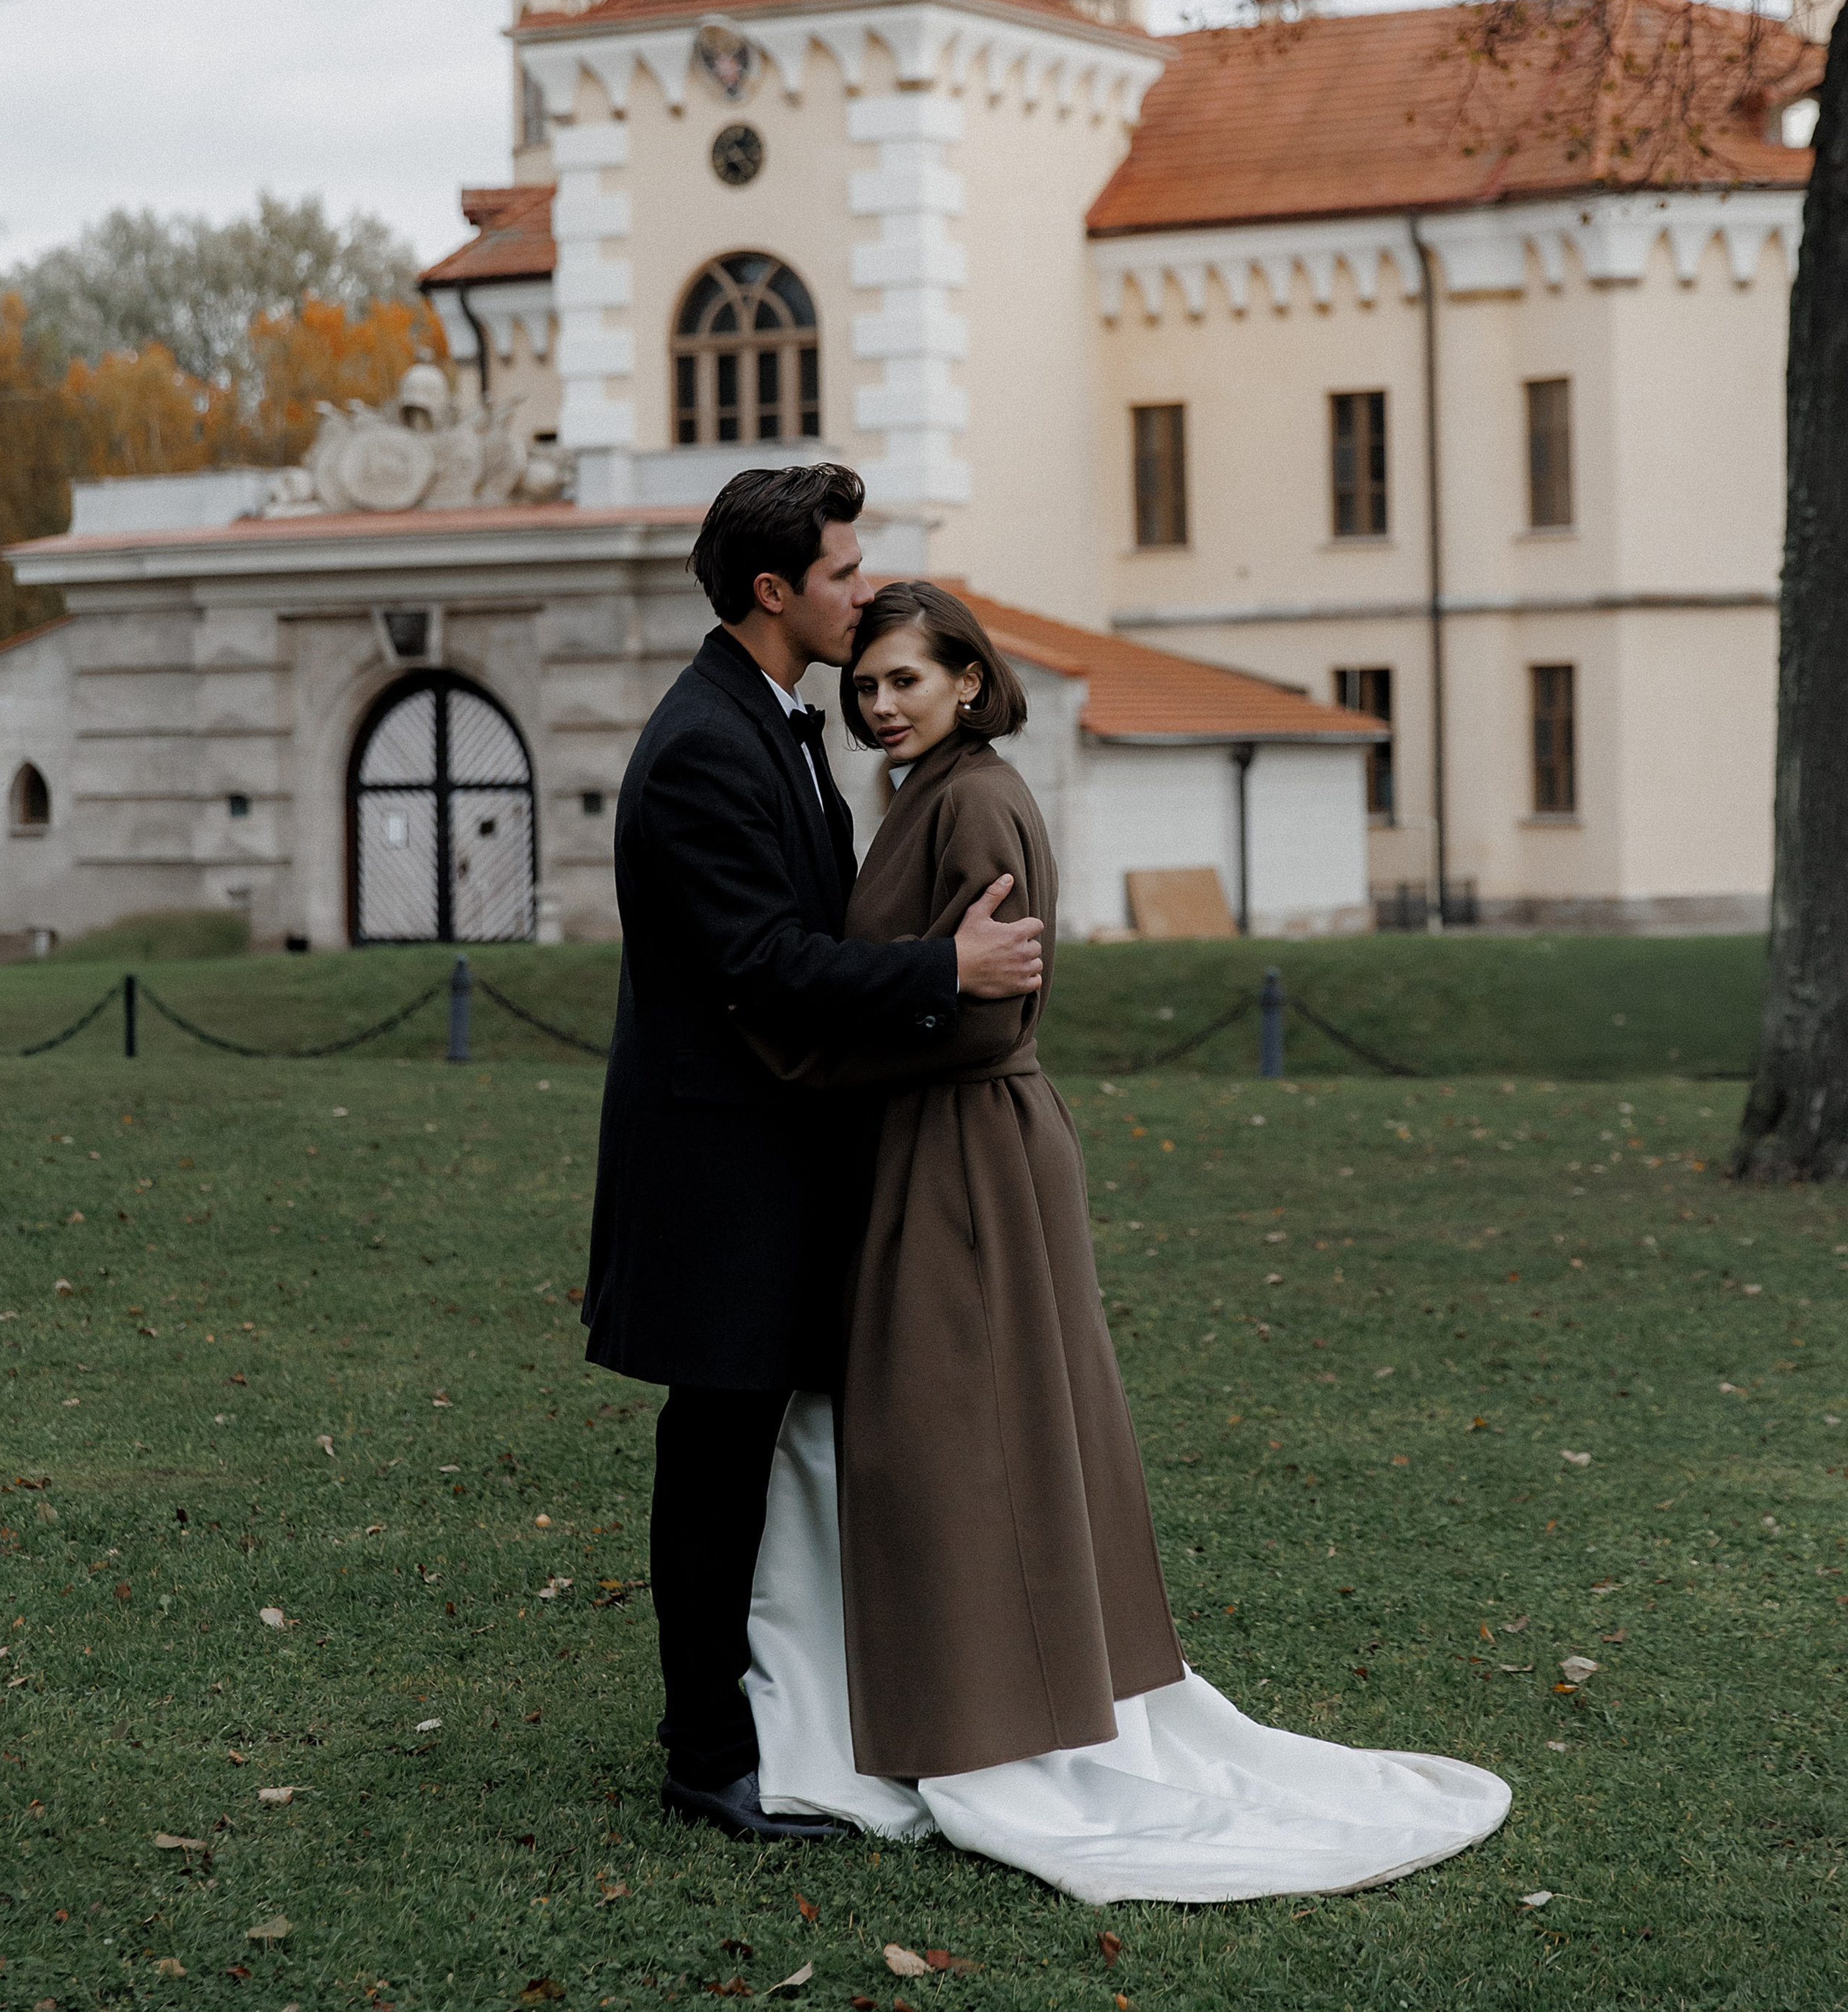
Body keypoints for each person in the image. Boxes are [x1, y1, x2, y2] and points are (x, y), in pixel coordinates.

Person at [741, 579, 1512, 1904]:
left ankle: (999, 1715)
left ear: (970, 683)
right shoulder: (919, 795)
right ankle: (961, 1692)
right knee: (949, 1430)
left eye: (905, 683)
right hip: (931, 1140)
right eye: (864, 687)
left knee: (969, 1426)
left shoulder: (977, 797)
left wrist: (817, 1052)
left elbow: (990, 1014)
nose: (878, 706)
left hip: (968, 1148)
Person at [580, 469, 1046, 1847]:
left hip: (774, 1162)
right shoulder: (706, 745)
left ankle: (785, 1718)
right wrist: (943, 967)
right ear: (776, 593)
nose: (864, 589)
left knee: (751, 1455)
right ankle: (709, 1756)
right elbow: (760, 964)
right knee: (714, 1458)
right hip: (717, 1176)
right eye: (845, 572)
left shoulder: (776, 725)